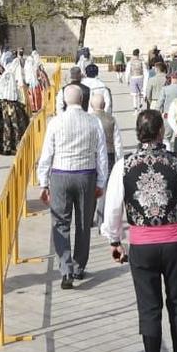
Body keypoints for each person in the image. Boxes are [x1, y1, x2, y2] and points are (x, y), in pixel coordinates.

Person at [102, 109, 177, 352]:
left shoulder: (124, 165)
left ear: (138, 133)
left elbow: (113, 208)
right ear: (162, 132)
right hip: (175, 242)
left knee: (149, 308)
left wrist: (115, 239)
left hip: (143, 244)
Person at [39, 81, 111, 287]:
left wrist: (43, 182)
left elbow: (47, 154)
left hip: (60, 174)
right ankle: (79, 267)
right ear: (82, 100)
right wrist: (101, 181)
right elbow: (102, 155)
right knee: (82, 223)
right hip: (85, 175)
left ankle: (65, 268)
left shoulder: (55, 122)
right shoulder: (93, 122)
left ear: (63, 100)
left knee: (60, 222)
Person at [0, 66, 31, 155]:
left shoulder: (0, 84)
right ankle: (5, 147)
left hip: (1, 108)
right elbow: (20, 97)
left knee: (0, 127)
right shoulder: (13, 86)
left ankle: (2, 146)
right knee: (11, 127)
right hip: (10, 107)